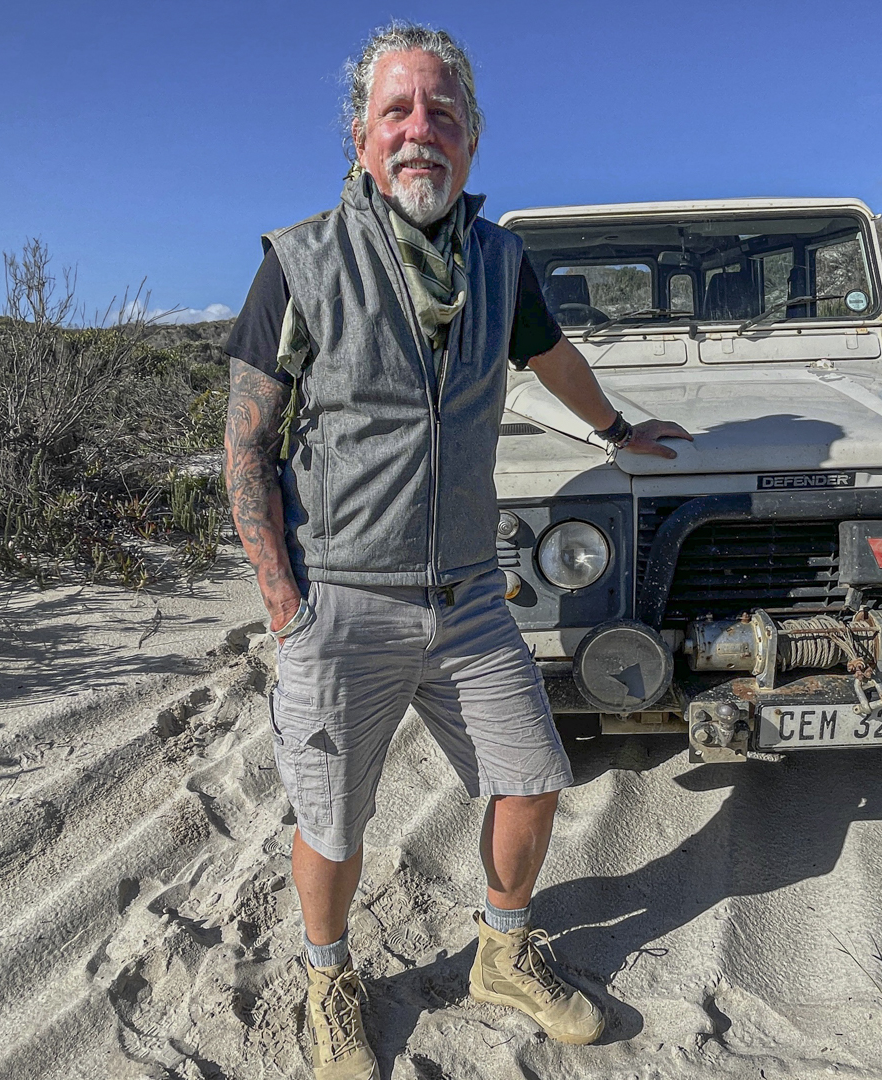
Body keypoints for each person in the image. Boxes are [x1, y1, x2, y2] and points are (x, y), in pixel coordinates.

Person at [222, 21, 690, 1080]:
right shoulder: (298, 264)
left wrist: (616, 430)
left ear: (472, 141)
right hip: (341, 598)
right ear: (360, 136)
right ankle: (330, 978)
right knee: (334, 823)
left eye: (441, 113)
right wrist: (284, 603)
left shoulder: (498, 261)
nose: (419, 132)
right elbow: (245, 447)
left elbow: (552, 353)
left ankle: (503, 951)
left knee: (531, 778)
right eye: (397, 112)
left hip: (472, 598)